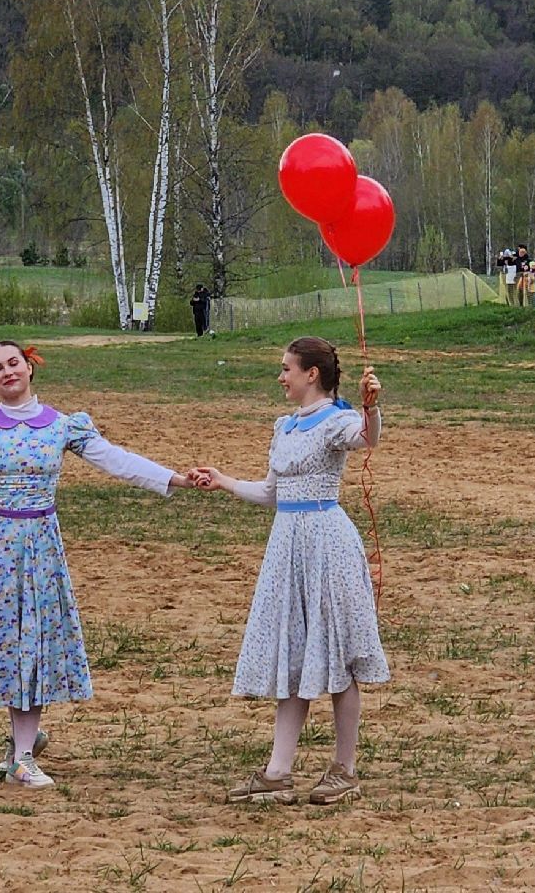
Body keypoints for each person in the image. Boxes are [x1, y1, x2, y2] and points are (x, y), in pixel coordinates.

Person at [0, 340, 200, 789]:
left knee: (33, 643)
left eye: (13, 363)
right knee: (8, 640)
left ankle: (22, 752)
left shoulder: (63, 426)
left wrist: (173, 478)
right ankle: (22, 750)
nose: (7, 372)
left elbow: (116, 460)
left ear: (30, 368)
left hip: (41, 545)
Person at [193, 336, 388, 806]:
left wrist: (371, 408)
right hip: (288, 546)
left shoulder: (339, 419)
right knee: (294, 654)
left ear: (311, 374)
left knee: (339, 656)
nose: (281, 377)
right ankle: (278, 772)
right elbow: (272, 494)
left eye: (286, 369)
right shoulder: (284, 427)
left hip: (328, 543)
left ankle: (344, 769)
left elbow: (367, 438)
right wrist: (223, 481)